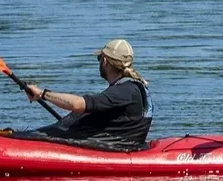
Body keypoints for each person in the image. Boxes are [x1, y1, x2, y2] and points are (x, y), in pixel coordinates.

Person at [17, 38, 153, 151]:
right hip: (125, 145)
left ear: (105, 61)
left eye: (99, 58)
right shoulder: (132, 88)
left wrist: (42, 93)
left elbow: (78, 104)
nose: (99, 61)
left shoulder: (124, 91)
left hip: (118, 148)